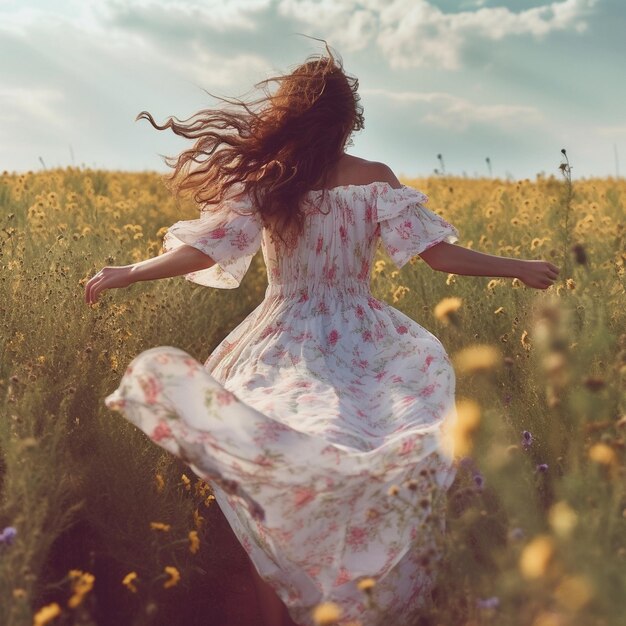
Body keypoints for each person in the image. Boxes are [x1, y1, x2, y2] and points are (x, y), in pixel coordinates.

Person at [84, 49, 559, 626]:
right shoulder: (362, 180)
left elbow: (204, 250)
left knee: (282, 462)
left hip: (281, 338)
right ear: (348, 119)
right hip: (364, 340)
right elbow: (441, 258)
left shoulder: (274, 181)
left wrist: (128, 272)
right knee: (363, 444)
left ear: (291, 117)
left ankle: (303, 596)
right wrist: (517, 266)